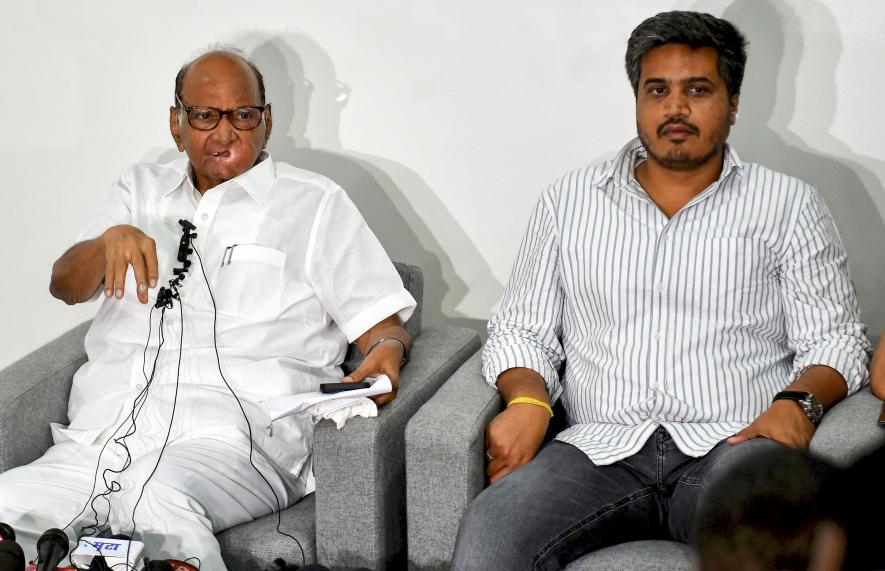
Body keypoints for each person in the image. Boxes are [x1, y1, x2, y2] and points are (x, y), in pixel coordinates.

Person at [451, 11, 870, 570]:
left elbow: (836, 339)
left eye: (698, 89)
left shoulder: (789, 205)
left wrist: (798, 404)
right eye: (658, 90)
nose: (676, 108)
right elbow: (521, 329)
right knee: (491, 531)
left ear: (734, 101)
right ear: (639, 101)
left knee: (778, 539)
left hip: (733, 444)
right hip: (597, 449)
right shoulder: (569, 202)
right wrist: (527, 398)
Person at [0, 48, 415, 569]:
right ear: (177, 125)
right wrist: (106, 243)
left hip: (238, 443)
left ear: (266, 123)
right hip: (100, 438)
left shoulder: (314, 203)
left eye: (242, 116)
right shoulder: (139, 190)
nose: (224, 133)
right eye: (205, 115)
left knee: (154, 500)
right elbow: (66, 286)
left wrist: (387, 354)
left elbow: (383, 327)